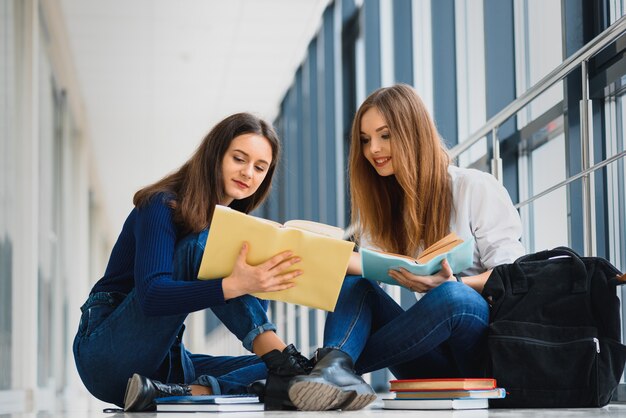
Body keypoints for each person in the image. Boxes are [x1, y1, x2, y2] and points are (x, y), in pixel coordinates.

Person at [287, 84, 526, 411]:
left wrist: (454, 283)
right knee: (356, 281)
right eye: (365, 140)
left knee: (451, 296)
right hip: (429, 360)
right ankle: (334, 364)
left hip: (483, 353)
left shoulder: (473, 187)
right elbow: (366, 283)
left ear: (413, 132)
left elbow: (513, 276)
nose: (373, 149)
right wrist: (320, 254)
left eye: (385, 135)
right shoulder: (385, 213)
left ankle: (318, 367)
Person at [73, 112, 311, 412]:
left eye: (260, 167)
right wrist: (231, 285)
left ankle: (189, 392)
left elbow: (249, 313)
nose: (249, 173)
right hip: (107, 355)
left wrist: (252, 282)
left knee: (286, 370)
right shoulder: (160, 204)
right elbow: (152, 296)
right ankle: (286, 362)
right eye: (239, 159)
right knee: (290, 371)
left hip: (159, 368)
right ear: (215, 156)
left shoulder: (232, 230)